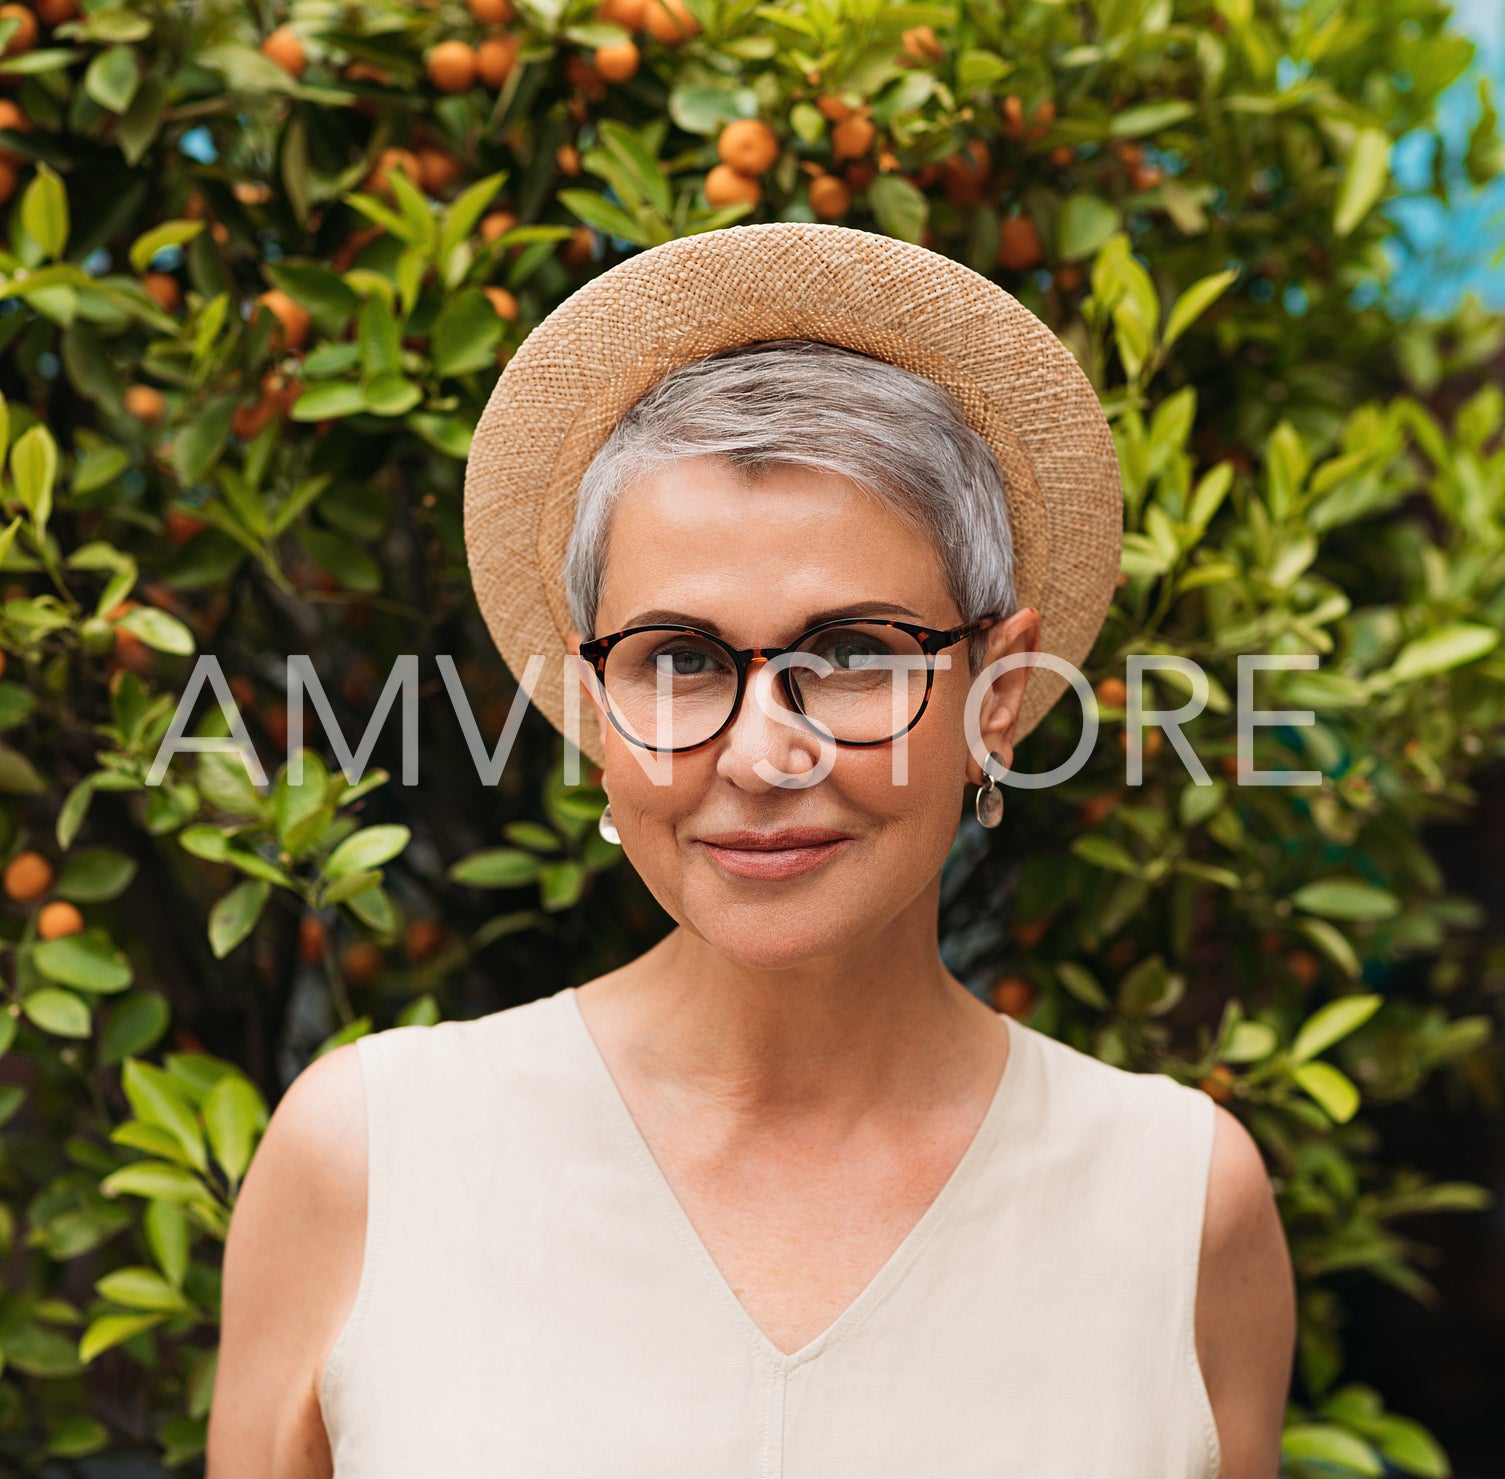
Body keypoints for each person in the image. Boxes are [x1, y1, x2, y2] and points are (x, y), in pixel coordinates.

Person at [208, 224, 1295, 1478]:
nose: (761, 756)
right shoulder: (365, 1160)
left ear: (995, 696)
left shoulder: (1177, 1202)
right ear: (593, 708)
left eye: (849, 654)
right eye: (679, 659)